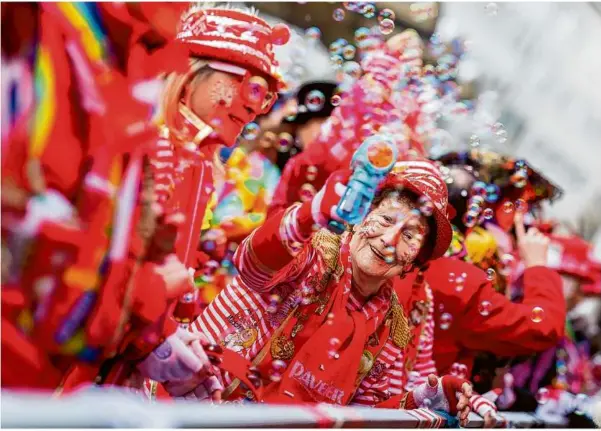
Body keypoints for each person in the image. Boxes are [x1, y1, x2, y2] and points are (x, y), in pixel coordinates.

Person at [168, 156, 475, 425]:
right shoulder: (309, 252)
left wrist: (427, 398)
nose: (389, 240)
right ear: (360, 217)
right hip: (187, 410)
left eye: (409, 236)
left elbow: (362, 417)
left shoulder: (393, 331)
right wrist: (310, 213)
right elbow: (252, 262)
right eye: (385, 219)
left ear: (415, 261)